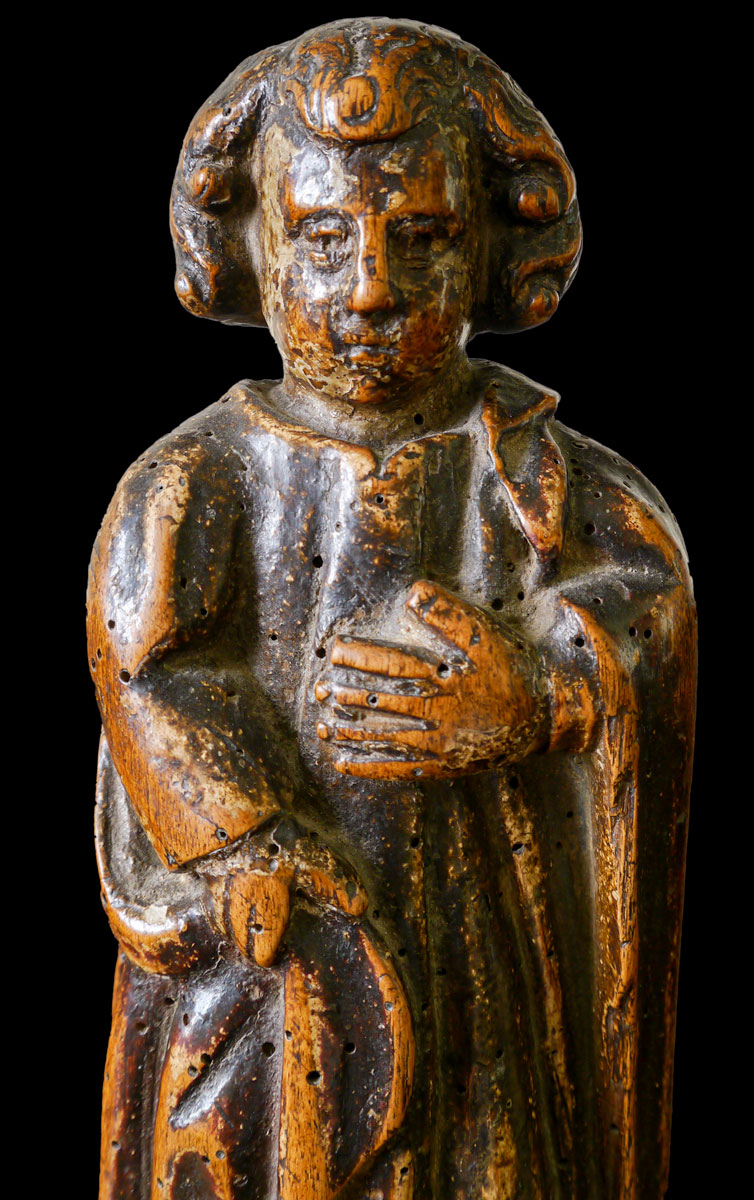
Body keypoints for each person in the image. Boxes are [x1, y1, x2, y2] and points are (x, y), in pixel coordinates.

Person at [88, 18, 696, 1199]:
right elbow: (143, 667)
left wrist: (539, 697)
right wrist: (245, 836)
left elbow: (647, 615)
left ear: (490, 248)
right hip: (277, 963)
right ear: (251, 245)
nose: (369, 288)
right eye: (323, 239)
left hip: (478, 944)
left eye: (421, 238)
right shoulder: (195, 481)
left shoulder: (545, 482)